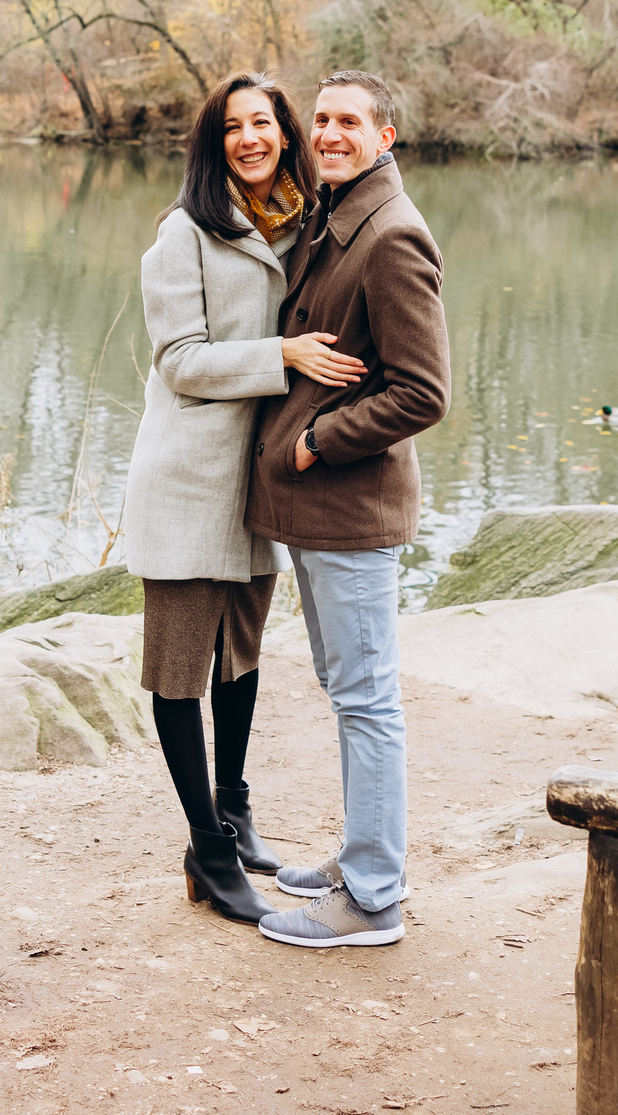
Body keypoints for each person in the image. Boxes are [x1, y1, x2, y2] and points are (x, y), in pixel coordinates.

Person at [120, 72, 368, 924]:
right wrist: (285, 357)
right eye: (233, 128)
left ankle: (235, 805)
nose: (250, 139)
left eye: (263, 123)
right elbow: (181, 361)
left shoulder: (305, 224)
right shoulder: (182, 234)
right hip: (189, 481)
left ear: (284, 133)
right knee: (182, 669)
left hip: (257, 482)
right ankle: (208, 847)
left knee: (241, 659)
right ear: (213, 142)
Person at [244, 70, 450, 950]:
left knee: (366, 700)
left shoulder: (392, 238)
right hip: (316, 516)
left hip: (351, 507)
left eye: (349, 122)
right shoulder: (336, 219)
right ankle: (362, 855)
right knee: (346, 690)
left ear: (385, 135)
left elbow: (423, 392)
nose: (328, 133)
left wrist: (317, 441)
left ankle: (372, 899)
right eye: (320, 119)